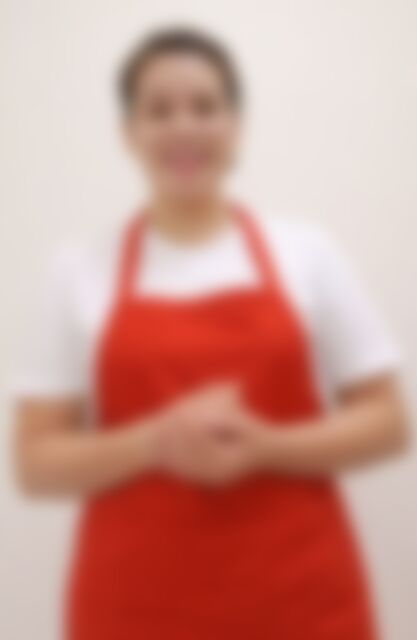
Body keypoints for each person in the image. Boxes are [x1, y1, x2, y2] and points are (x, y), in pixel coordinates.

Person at [14, 27, 408, 640]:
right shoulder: (78, 272)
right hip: (134, 608)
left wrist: (265, 445)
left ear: (236, 125)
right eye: (159, 110)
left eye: (205, 106)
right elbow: (35, 463)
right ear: (128, 132)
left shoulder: (308, 253)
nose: (184, 127)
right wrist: (157, 441)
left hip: (301, 598)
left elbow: (388, 422)